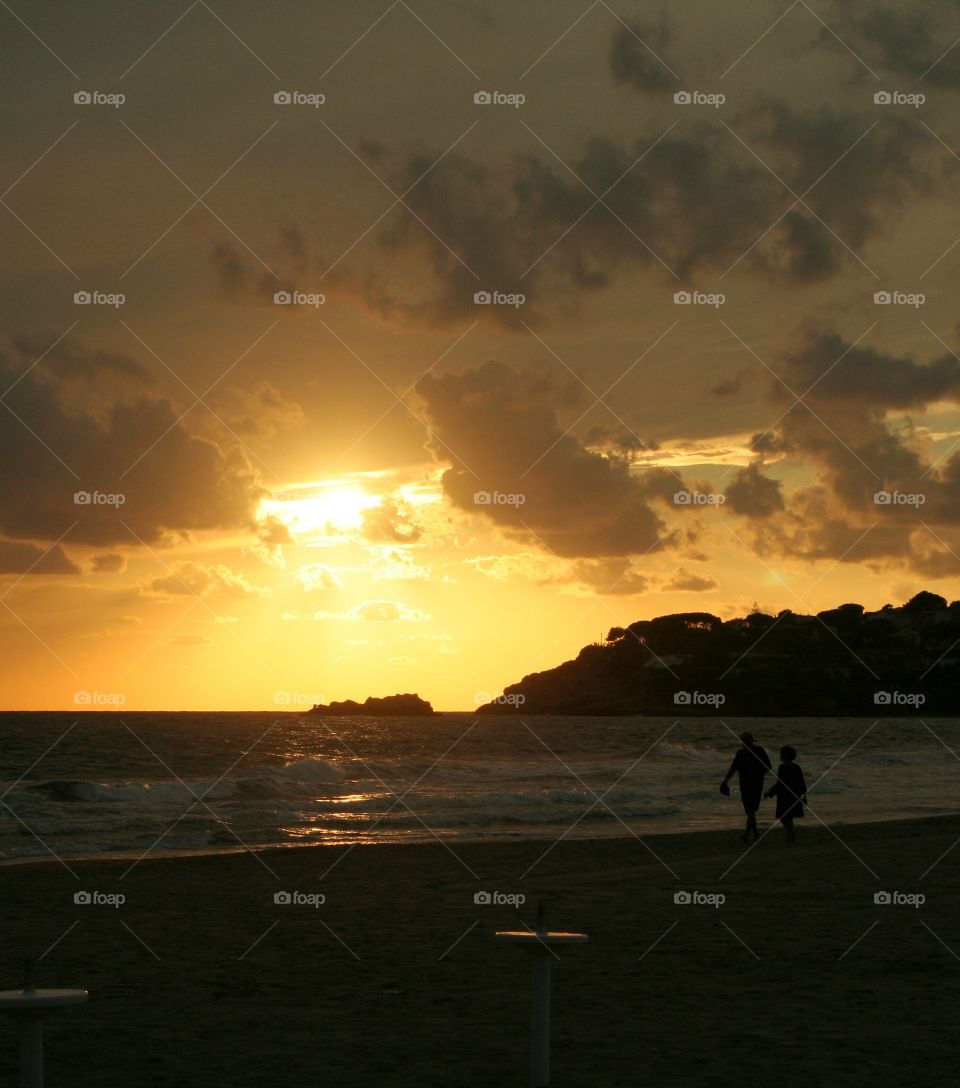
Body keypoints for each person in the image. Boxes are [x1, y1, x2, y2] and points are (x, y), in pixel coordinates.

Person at [720, 731, 772, 842]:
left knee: (750, 810)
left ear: (751, 741)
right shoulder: (740, 753)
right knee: (750, 810)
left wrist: (757, 773)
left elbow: (768, 766)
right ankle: (747, 834)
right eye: (743, 740)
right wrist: (725, 781)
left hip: (756, 784)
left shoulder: (759, 751)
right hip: (744, 784)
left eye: (746, 740)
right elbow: (733, 769)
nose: (744, 743)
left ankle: (756, 834)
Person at [764, 745, 807, 844]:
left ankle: (790, 835)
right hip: (783, 795)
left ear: (785, 755)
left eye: (781, 754)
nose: (780, 756)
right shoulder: (782, 767)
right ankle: (791, 833)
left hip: (792, 795)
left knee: (786, 816)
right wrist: (770, 792)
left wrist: (804, 796)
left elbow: (801, 783)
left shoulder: (795, 767)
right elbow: (779, 783)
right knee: (784, 816)